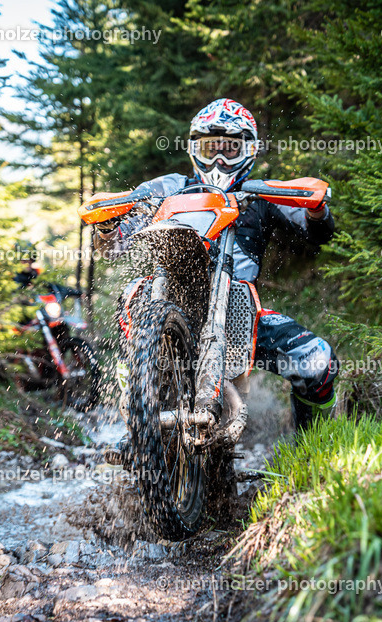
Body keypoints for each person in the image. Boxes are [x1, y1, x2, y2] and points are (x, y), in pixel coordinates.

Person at [94, 98, 339, 432]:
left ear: (249, 150)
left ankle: (315, 446)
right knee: (133, 290)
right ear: (195, 149)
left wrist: (316, 209)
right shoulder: (168, 188)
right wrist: (108, 227)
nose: (220, 160)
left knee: (318, 362)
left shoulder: (260, 193)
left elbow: (317, 232)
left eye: (230, 149)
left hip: (241, 313)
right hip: (170, 301)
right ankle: (136, 378)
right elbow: (117, 244)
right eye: (211, 149)